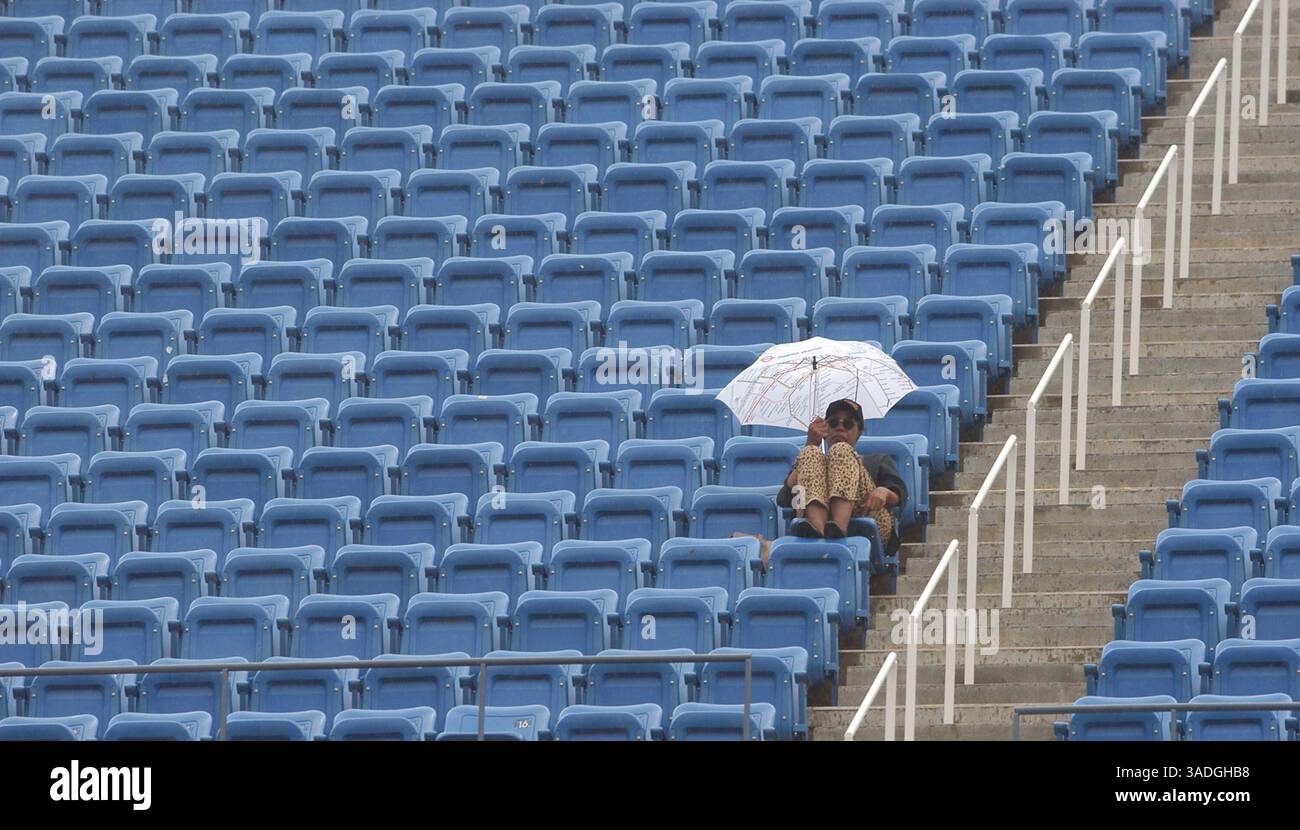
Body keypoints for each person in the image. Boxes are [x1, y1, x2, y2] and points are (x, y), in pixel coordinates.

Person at [776, 398, 907, 546]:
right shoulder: (811, 461)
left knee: (841, 449)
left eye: (848, 423)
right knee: (810, 452)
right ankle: (819, 530)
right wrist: (811, 444)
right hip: (812, 528)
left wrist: (884, 492)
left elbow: (900, 495)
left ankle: (838, 528)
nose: (840, 427)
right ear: (826, 429)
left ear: (859, 432)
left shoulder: (877, 460)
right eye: (833, 423)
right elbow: (785, 500)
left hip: (868, 519)